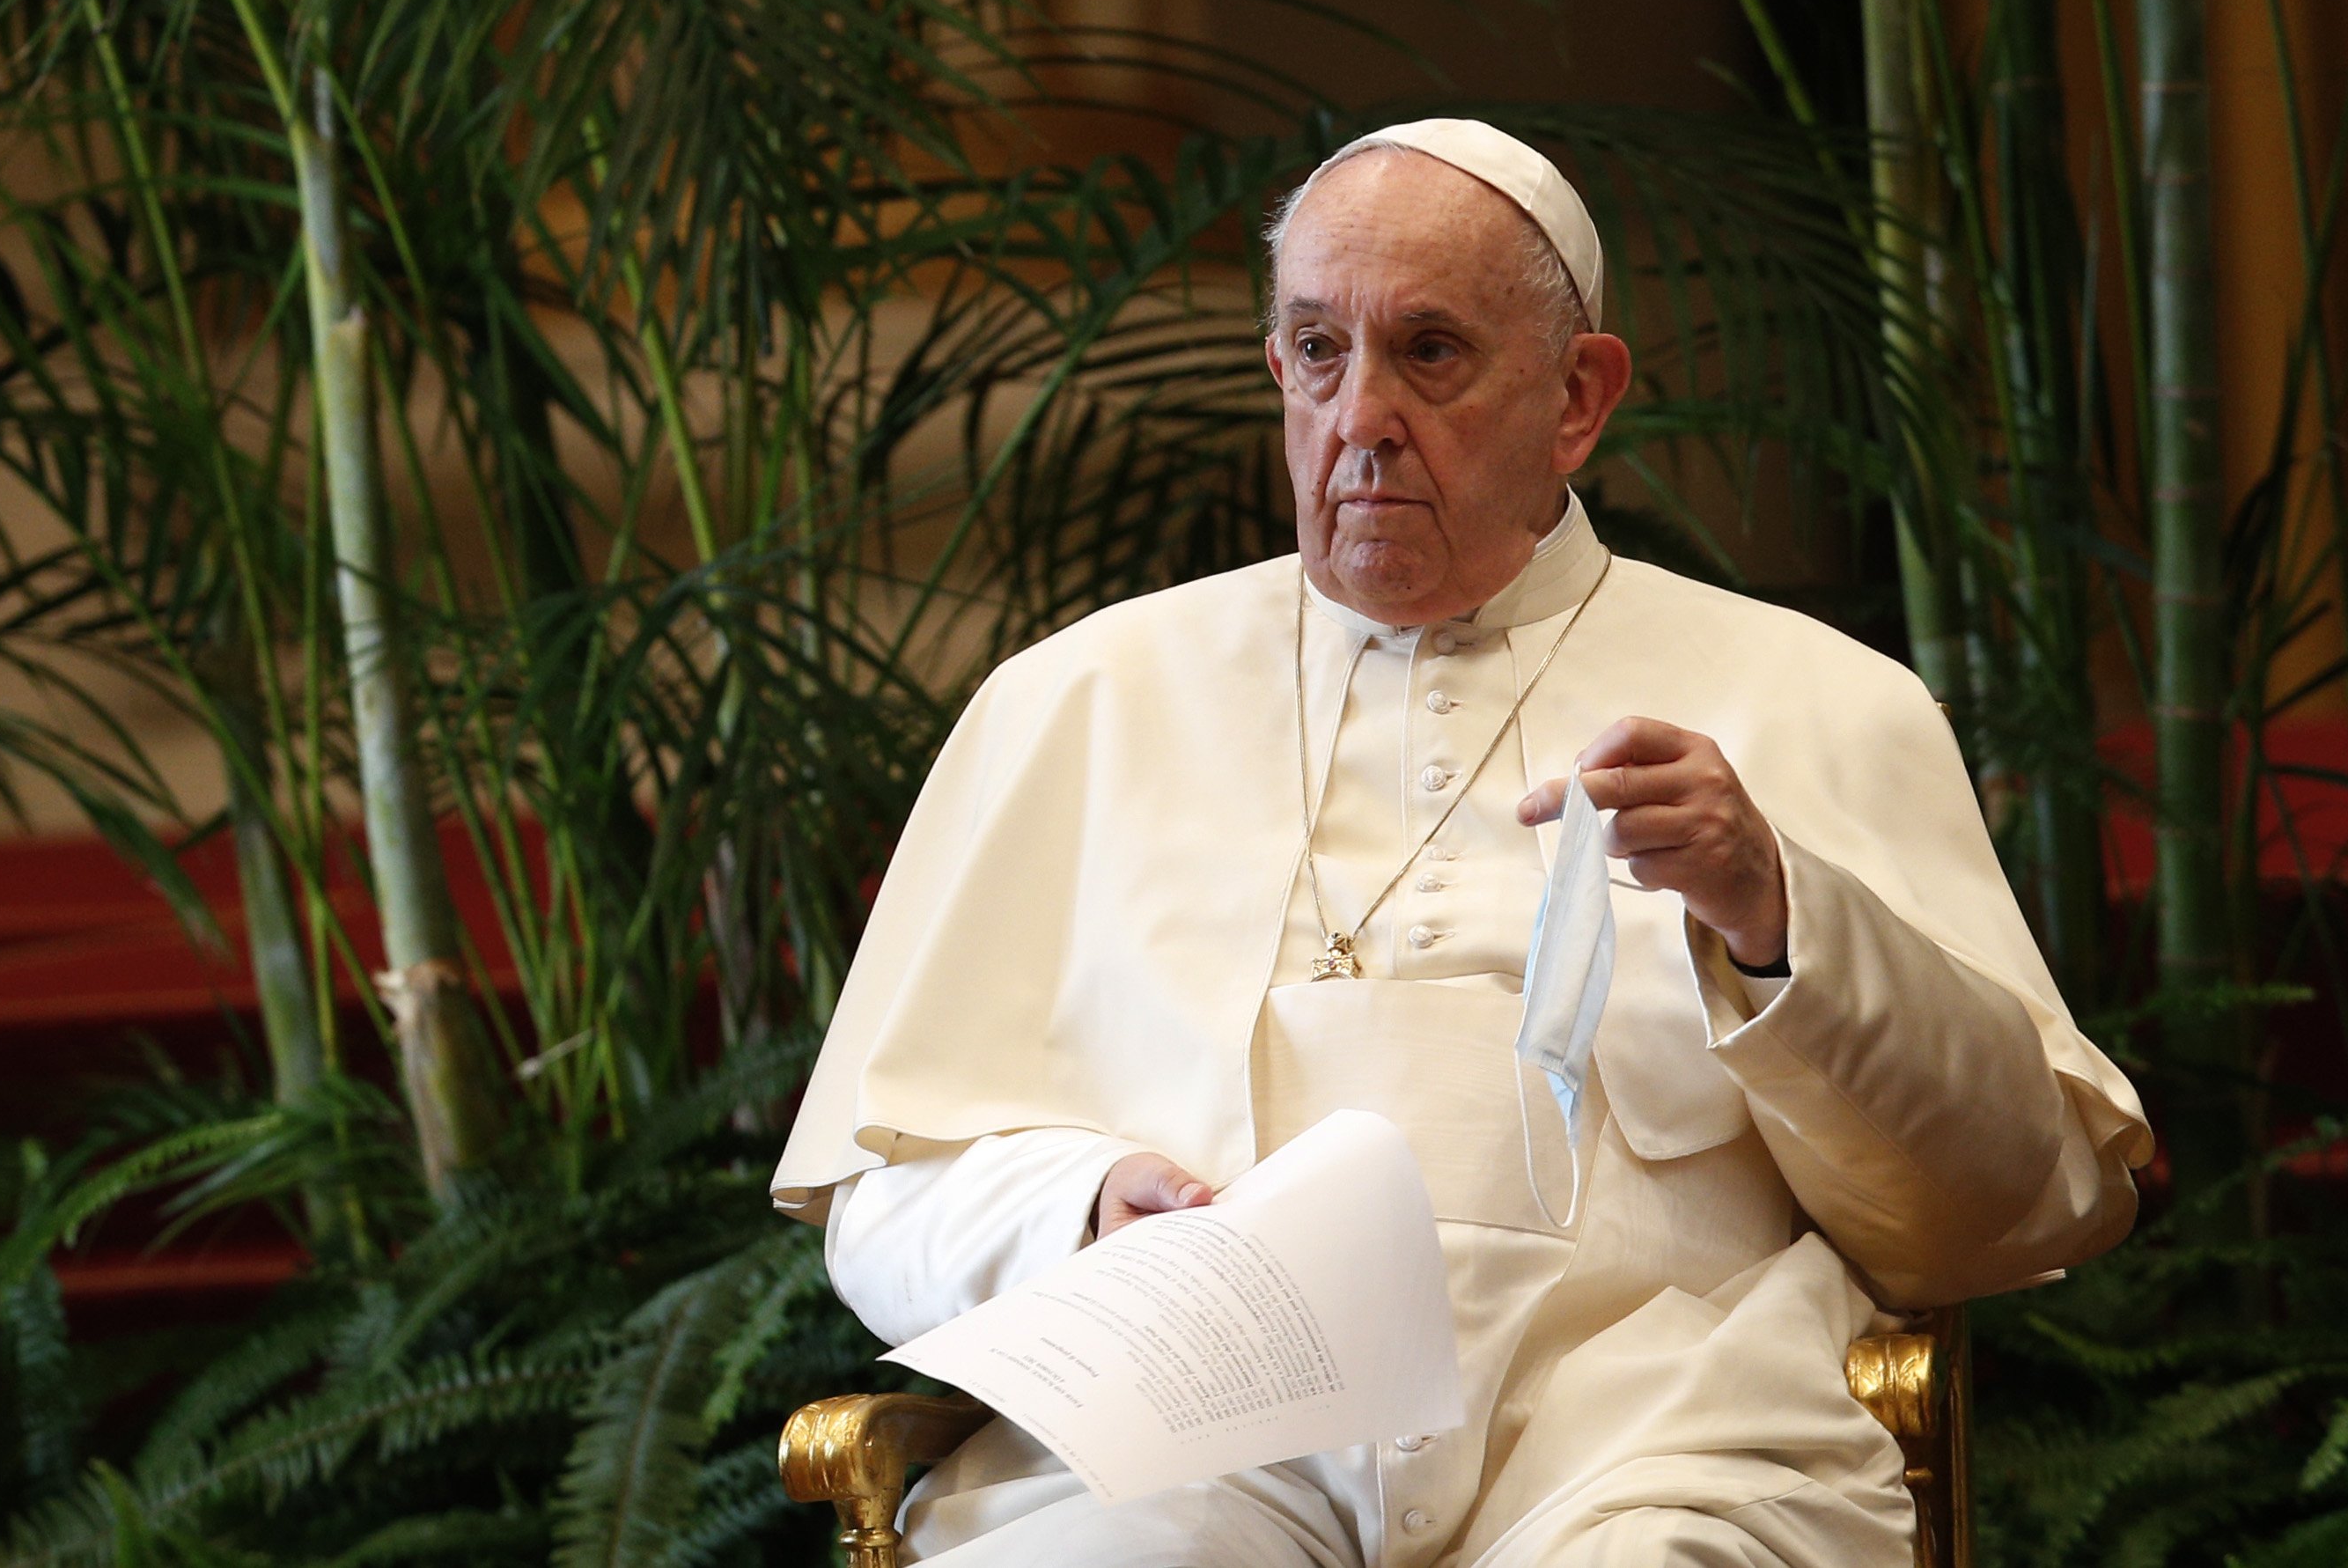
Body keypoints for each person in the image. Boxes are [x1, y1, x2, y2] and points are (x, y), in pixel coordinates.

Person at [771, 118, 2153, 1567]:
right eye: (1316, 350)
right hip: (1190, 1463)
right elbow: (879, 1192)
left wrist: (1774, 913)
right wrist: (1078, 1207)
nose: (1359, 414)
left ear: (1577, 396)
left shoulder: (1818, 701)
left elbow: (2004, 1206)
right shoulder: (1078, 702)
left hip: (1655, 1446)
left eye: (1427, 352)